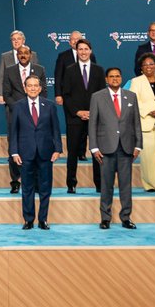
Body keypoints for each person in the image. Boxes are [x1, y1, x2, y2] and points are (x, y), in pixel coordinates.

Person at [89, 67, 143, 230]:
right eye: (111, 76)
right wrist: (93, 147)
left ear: (121, 78)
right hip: (106, 149)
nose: (115, 79)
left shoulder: (131, 96)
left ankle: (126, 217)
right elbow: (92, 124)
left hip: (126, 148)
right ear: (106, 79)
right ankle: (105, 218)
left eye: (117, 76)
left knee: (126, 185)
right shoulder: (97, 97)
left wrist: (138, 144)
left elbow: (136, 123)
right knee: (106, 186)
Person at [8, 74, 62, 229]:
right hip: (25, 153)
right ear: (25, 88)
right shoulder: (18, 106)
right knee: (27, 188)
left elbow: (55, 129)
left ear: (40, 88)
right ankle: (28, 219)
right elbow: (14, 131)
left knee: (45, 188)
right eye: (29, 86)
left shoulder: (49, 105)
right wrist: (14, 152)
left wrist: (58, 149)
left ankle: (43, 219)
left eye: (35, 86)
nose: (32, 88)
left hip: (46, 152)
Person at [61, 38, 106, 194]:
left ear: (90, 51)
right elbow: (66, 95)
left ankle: (100, 184)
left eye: (86, 49)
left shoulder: (99, 70)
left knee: (97, 152)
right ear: (76, 51)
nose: (83, 52)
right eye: (80, 49)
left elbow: (102, 95)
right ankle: (71, 183)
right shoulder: (69, 70)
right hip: (75, 118)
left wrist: (93, 112)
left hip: (95, 118)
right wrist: (77, 112)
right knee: (72, 152)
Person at [0, 44, 47, 194]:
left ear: (31, 55)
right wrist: (21, 108)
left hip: (36, 114)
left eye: (26, 53)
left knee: (36, 146)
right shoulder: (9, 70)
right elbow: (7, 93)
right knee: (14, 148)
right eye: (20, 53)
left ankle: (36, 181)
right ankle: (15, 181)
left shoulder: (39, 70)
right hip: (15, 114)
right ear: (17, 55)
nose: (23, 55)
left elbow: (44, 92)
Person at [125, 53, 155, 192]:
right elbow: (133, 101)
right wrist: (152, 111)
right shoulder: (136, 82)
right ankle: (150, 185)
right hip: (145, 123)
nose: (148, 67)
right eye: (145, 64)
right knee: (147, 158)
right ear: (141, 67)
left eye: (151, 64)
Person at [53, 30, 96, 105]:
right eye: (73, 39)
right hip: (69, 95)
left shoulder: (90, 55)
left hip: (88, 95)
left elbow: (94, 75)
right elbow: (58, 76)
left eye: (78, 39)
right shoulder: (63, 56)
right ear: (69, 42)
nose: (75, 41)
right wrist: (58, 95)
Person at [0, 30, 26, 107]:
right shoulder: (5, 56)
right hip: (11, 96)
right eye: (13, 39)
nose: (16, 41)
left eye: (18, 39)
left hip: (28, 93)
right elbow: (0, 76)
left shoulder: (32, 55)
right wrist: (0, 94)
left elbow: (37, 75)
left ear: (23, 41)